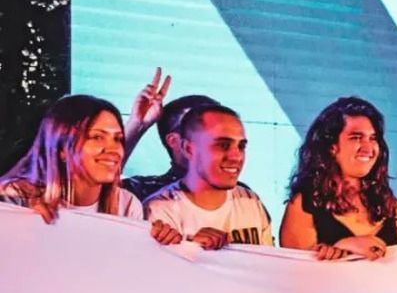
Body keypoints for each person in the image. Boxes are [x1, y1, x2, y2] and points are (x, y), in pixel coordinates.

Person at [0, 95, 166, 237]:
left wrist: (162, 244)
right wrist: (19, 224)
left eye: (117, 138)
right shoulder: (17, 196)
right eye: (97, 137)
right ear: (61, 149)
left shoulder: (126, 204)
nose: (113, 149)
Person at [280, 97, 397, 261]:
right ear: (331, 147)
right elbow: (294, 275)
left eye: (373, 138)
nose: (368, 148)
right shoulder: (304, 206)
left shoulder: (391, 207)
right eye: (356, 137)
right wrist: (342, 247)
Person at [145, 104, 273, 250]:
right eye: (223, 145)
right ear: (189, 149)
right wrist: (191, 248)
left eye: (241, 146)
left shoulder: (251, 202)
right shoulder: (160, 210)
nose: (236, 156)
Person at [119, 68, 221, 202]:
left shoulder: (241, 195)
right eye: (204, 128)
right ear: (173, 140)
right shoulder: (142, 190)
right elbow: (97, 188)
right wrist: (137, 125)